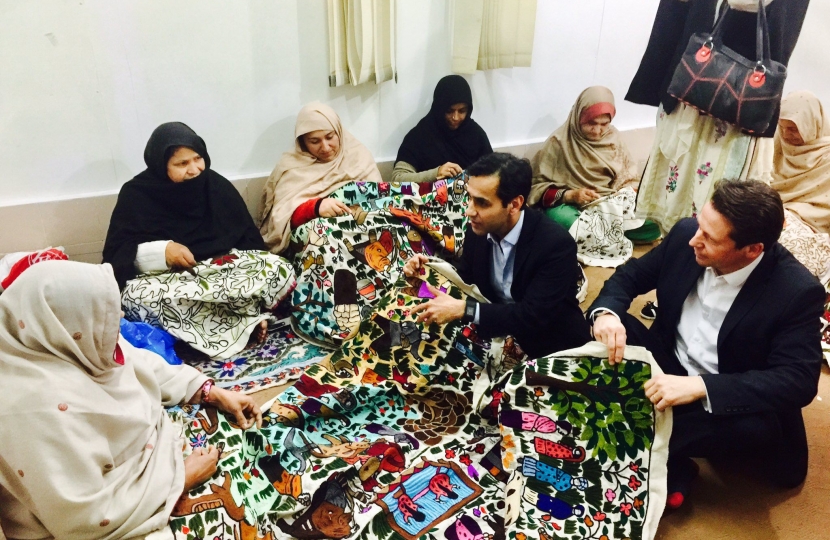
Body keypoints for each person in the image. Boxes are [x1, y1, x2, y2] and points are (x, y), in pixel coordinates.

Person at [589, 179, 824, 509]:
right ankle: (669, 460)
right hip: (669, 361)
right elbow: (630, 277)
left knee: (755, 428)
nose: (693, 240)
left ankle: (643, 448)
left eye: (709, 238)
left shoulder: (796, 291)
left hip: (723, 391)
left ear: (752, 249)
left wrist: (700, 386)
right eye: (699, 225)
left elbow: (797, 380)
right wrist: (607, 314)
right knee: (605, 327)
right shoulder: (689, 235)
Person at [0, 261, 262, 539]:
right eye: (103, 317)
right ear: (60, 326)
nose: (119, 319)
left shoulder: (66, 342)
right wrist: (181, 479)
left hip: (146, 466)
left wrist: (213, 392)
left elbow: (143, 366)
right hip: (102, 520)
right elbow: (85, 519)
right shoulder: (30, 410)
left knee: (252, 444)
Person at [103, 122, 295, 359]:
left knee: (278, 267)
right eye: (182, 164)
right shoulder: (137, 195)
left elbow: (249, 241)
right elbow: (118, 255)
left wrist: (226, 264)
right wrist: (162, 252)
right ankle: (243, 322)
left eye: (198, 158)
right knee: (135, 298)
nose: (194, 169)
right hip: (170, 280)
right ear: (160, 165)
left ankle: (223, 324)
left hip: (221, 272)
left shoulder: (215, 185)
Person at [628, 0, 810, 234]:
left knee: (723, 196)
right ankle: (676, 243)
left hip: (739, 104)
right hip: (694, 85)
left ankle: (706, 246)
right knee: (675, 184)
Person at [406, 152, 592, 359]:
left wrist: (466, 310)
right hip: (498, 338)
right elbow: (466, 278)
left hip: (551, 348)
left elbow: (533, 316)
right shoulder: (479, 229)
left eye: (482, 203)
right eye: (469, 198)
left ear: (514, 204)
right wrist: (430, 267)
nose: (469, 211)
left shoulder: (555, 244)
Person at [528, 86, 660, 265]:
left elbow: (627, 177)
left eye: (604, 124)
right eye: (591, 123)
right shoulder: (558, 142)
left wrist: (626, 195)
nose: (598, 131)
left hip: (607, 202)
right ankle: (611, 233)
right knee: (563, 223)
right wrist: (572, 195)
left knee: (655, 221)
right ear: (578, 118)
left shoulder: (613, 137)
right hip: (572, 206)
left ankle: (606, 233)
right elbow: (538, 188)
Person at [260, 102, 384, 253]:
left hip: (364, 227)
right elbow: (280, 223)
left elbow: (380, 199)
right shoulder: (291, 167)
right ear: (303, 142)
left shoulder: (358, 155)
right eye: (314, 141)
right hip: (322, 239)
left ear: (339, 132)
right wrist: (315, 207)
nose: (325, 147)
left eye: (329, 137)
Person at [393, 75, 493, 195]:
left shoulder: (476, 135)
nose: (455, 118)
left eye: (462, 111)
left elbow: (494, 174)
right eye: (449, 111)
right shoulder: (420, 136)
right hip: (429, 206)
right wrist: (436, 173)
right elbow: (397, 180)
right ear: (439, 108)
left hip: (470, 207)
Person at [771, 90, 830, 280]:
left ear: (811, 125)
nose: (787, 134)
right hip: (771, 208)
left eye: (794, 129)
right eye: (783, 127)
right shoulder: (776, 142)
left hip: (810, 227)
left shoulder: (827, 156)